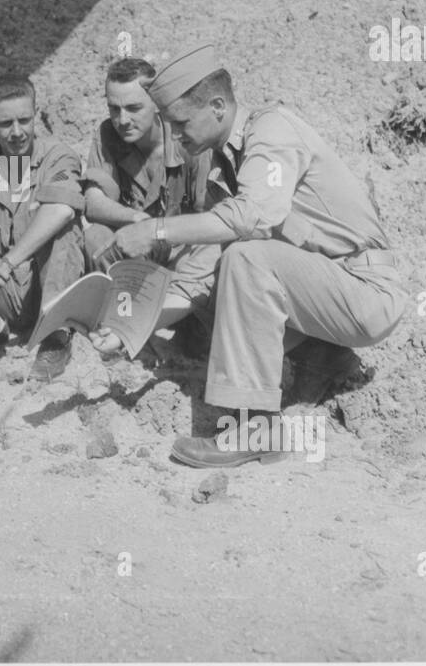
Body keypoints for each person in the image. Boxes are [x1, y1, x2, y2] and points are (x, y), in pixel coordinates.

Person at [104, 44, 408, 468]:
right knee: (217, 297)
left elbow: (252, 218)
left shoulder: (273, 130)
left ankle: (255, 427)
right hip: (320, 297)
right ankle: (321, 362)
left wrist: (156, 229)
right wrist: (128, 327)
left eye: (180, 122)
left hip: (365, 291)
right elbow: (200, 274)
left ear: (216, 106)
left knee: (246, 259)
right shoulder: (220, 168)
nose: (174, 136)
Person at [0, 75, 85, 382]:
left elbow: (61, 209)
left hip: (45, 285)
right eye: (6, 123)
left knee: (65, 228)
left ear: (36, 114)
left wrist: (7, 263)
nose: (17, 132)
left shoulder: (58, 156)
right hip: (4, 295)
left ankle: (55, 336)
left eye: (25, 120)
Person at [81, 58, 220, 351]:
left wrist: (159, 231)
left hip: (182, 254)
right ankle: (127, 326)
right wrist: (135, 219)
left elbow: (209, 222)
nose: (122, 120)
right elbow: (93, 202)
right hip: (136, 252)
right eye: (113, 108)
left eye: (133, 108)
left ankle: (188, 324)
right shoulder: (108, 135)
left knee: (205, 254)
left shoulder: (188, 140)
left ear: (157, 103)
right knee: (96, 236)